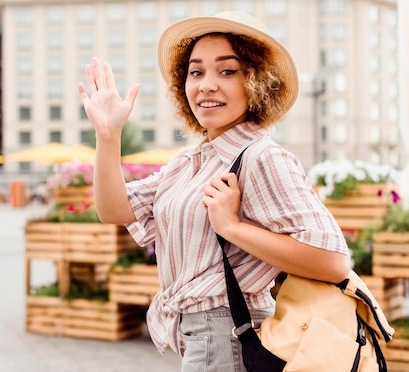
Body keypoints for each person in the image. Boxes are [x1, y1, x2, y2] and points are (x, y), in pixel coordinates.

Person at [78, 11, 351, 371]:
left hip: (226, 335)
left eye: (227, 71)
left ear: (256, 82)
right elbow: (114, 210)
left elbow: (333, 262)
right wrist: (108, 136)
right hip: (200, 337)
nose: (206, 84)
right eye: (196, 72)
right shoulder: (189, 162)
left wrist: (232, 228)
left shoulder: (261, 157)